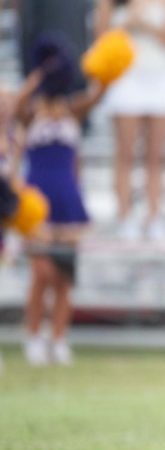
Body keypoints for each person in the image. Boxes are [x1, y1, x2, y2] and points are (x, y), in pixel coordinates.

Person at [13, 38, 107, 366]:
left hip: (67, 199)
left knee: (65, 276)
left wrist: (100, 70)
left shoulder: (73, 110)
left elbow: (97, 95)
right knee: (41, 273)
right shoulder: (30, 112)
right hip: (37, 201)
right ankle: (33, 336)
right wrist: (38, 75)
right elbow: (15, 106)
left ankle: (59, 338)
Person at [94, 0, 165, 242]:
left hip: (160, 75)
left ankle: (154, 215)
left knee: (156, 154)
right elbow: (100, 40)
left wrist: (144, 23)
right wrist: (125, 23)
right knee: (126, 152)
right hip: (126, 77)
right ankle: (125, 216)